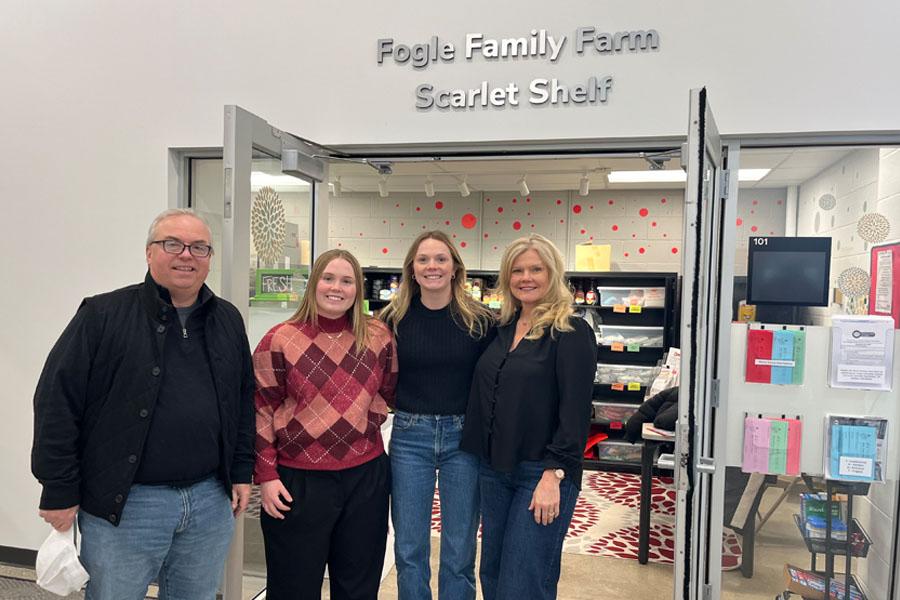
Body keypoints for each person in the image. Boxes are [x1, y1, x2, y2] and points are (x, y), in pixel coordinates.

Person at [31, 208, 255, 600]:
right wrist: (58, 488)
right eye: (173, 244)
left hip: (208, 501)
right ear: (149, 253)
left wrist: (240, 470)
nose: (186, 255)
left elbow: (241, 399)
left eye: (199, 247)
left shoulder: (227, 320)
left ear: (209, 259)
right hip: (128, 505)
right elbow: (56, 402)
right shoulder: (102, 316)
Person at [253, 249, 397, 600]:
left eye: (347, 281)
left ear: (357, 289)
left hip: (365, 477)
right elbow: (260, 408)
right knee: (293, 588)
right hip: (298, 481)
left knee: (358, 587)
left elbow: (390, 392)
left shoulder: (378, 337)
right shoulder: (280, 339)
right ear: (314, 283)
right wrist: (267, 477)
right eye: (328, 278)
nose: (337, 288)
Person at [461, 234, 596, 600]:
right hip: (494, 469)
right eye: (517, 270)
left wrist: (554, 474)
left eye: (536, 269)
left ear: (553, 274)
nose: (526, 277)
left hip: (542, 473)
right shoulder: (500, 329)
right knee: (493, 572)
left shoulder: (570, 331)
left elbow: (576, 411)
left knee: (523, 582)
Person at [379, 231, 494, 600]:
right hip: (410, 436)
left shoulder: (480, 321)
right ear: (412, 269)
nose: (432, 266)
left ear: (455, 268)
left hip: (465, 437)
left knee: (460, 545)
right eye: (424, 259)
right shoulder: (390, 320)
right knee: (410, 546)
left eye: (441, 259)